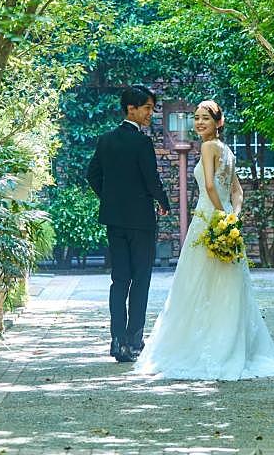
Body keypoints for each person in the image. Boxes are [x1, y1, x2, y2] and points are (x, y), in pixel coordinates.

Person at [135, 99, 274, 380]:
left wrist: (220, 217)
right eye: (196, 118)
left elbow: (209, 185)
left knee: (197, 282)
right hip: (223, 220)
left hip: (208, 219)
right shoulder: (227, 150)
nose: (199, 123)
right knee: (226, 283)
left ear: (218, 122)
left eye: (205, 118)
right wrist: (232, 218)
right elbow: (238, 192)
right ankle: (228, 344)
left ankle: (207, 346)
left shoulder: (209, 147)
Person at [86, 85, 171, 363]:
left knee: (119, 279)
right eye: (147, 108)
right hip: (141, 221)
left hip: (115, 220)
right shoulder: (142, 143)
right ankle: (134, 340)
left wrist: (111, 199)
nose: (150, 113)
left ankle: (116, 340)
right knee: (141, 279)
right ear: (130, 109)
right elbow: (151, 179)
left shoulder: (106, 140)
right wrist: (163, 202)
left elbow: (92, 175)